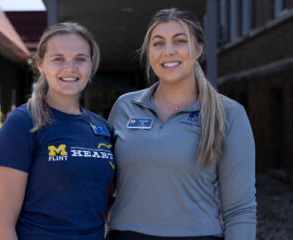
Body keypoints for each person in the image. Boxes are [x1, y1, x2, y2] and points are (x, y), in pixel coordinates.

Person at [107, 8, 256, 240]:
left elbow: (240, 210)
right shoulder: (125, 107)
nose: (169, 51)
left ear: (198, 49)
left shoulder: (228, 113)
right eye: (158, 43)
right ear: (149, 51)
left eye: (180, 41)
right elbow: (100, 185)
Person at [0, 22, 115, 240]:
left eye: (80, 58)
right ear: (40, 64)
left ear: (91, 65)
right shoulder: (24, 122)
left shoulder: (102, 128)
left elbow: (102, 206)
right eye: (58, 59)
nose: (70, 67)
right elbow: (0, 223)